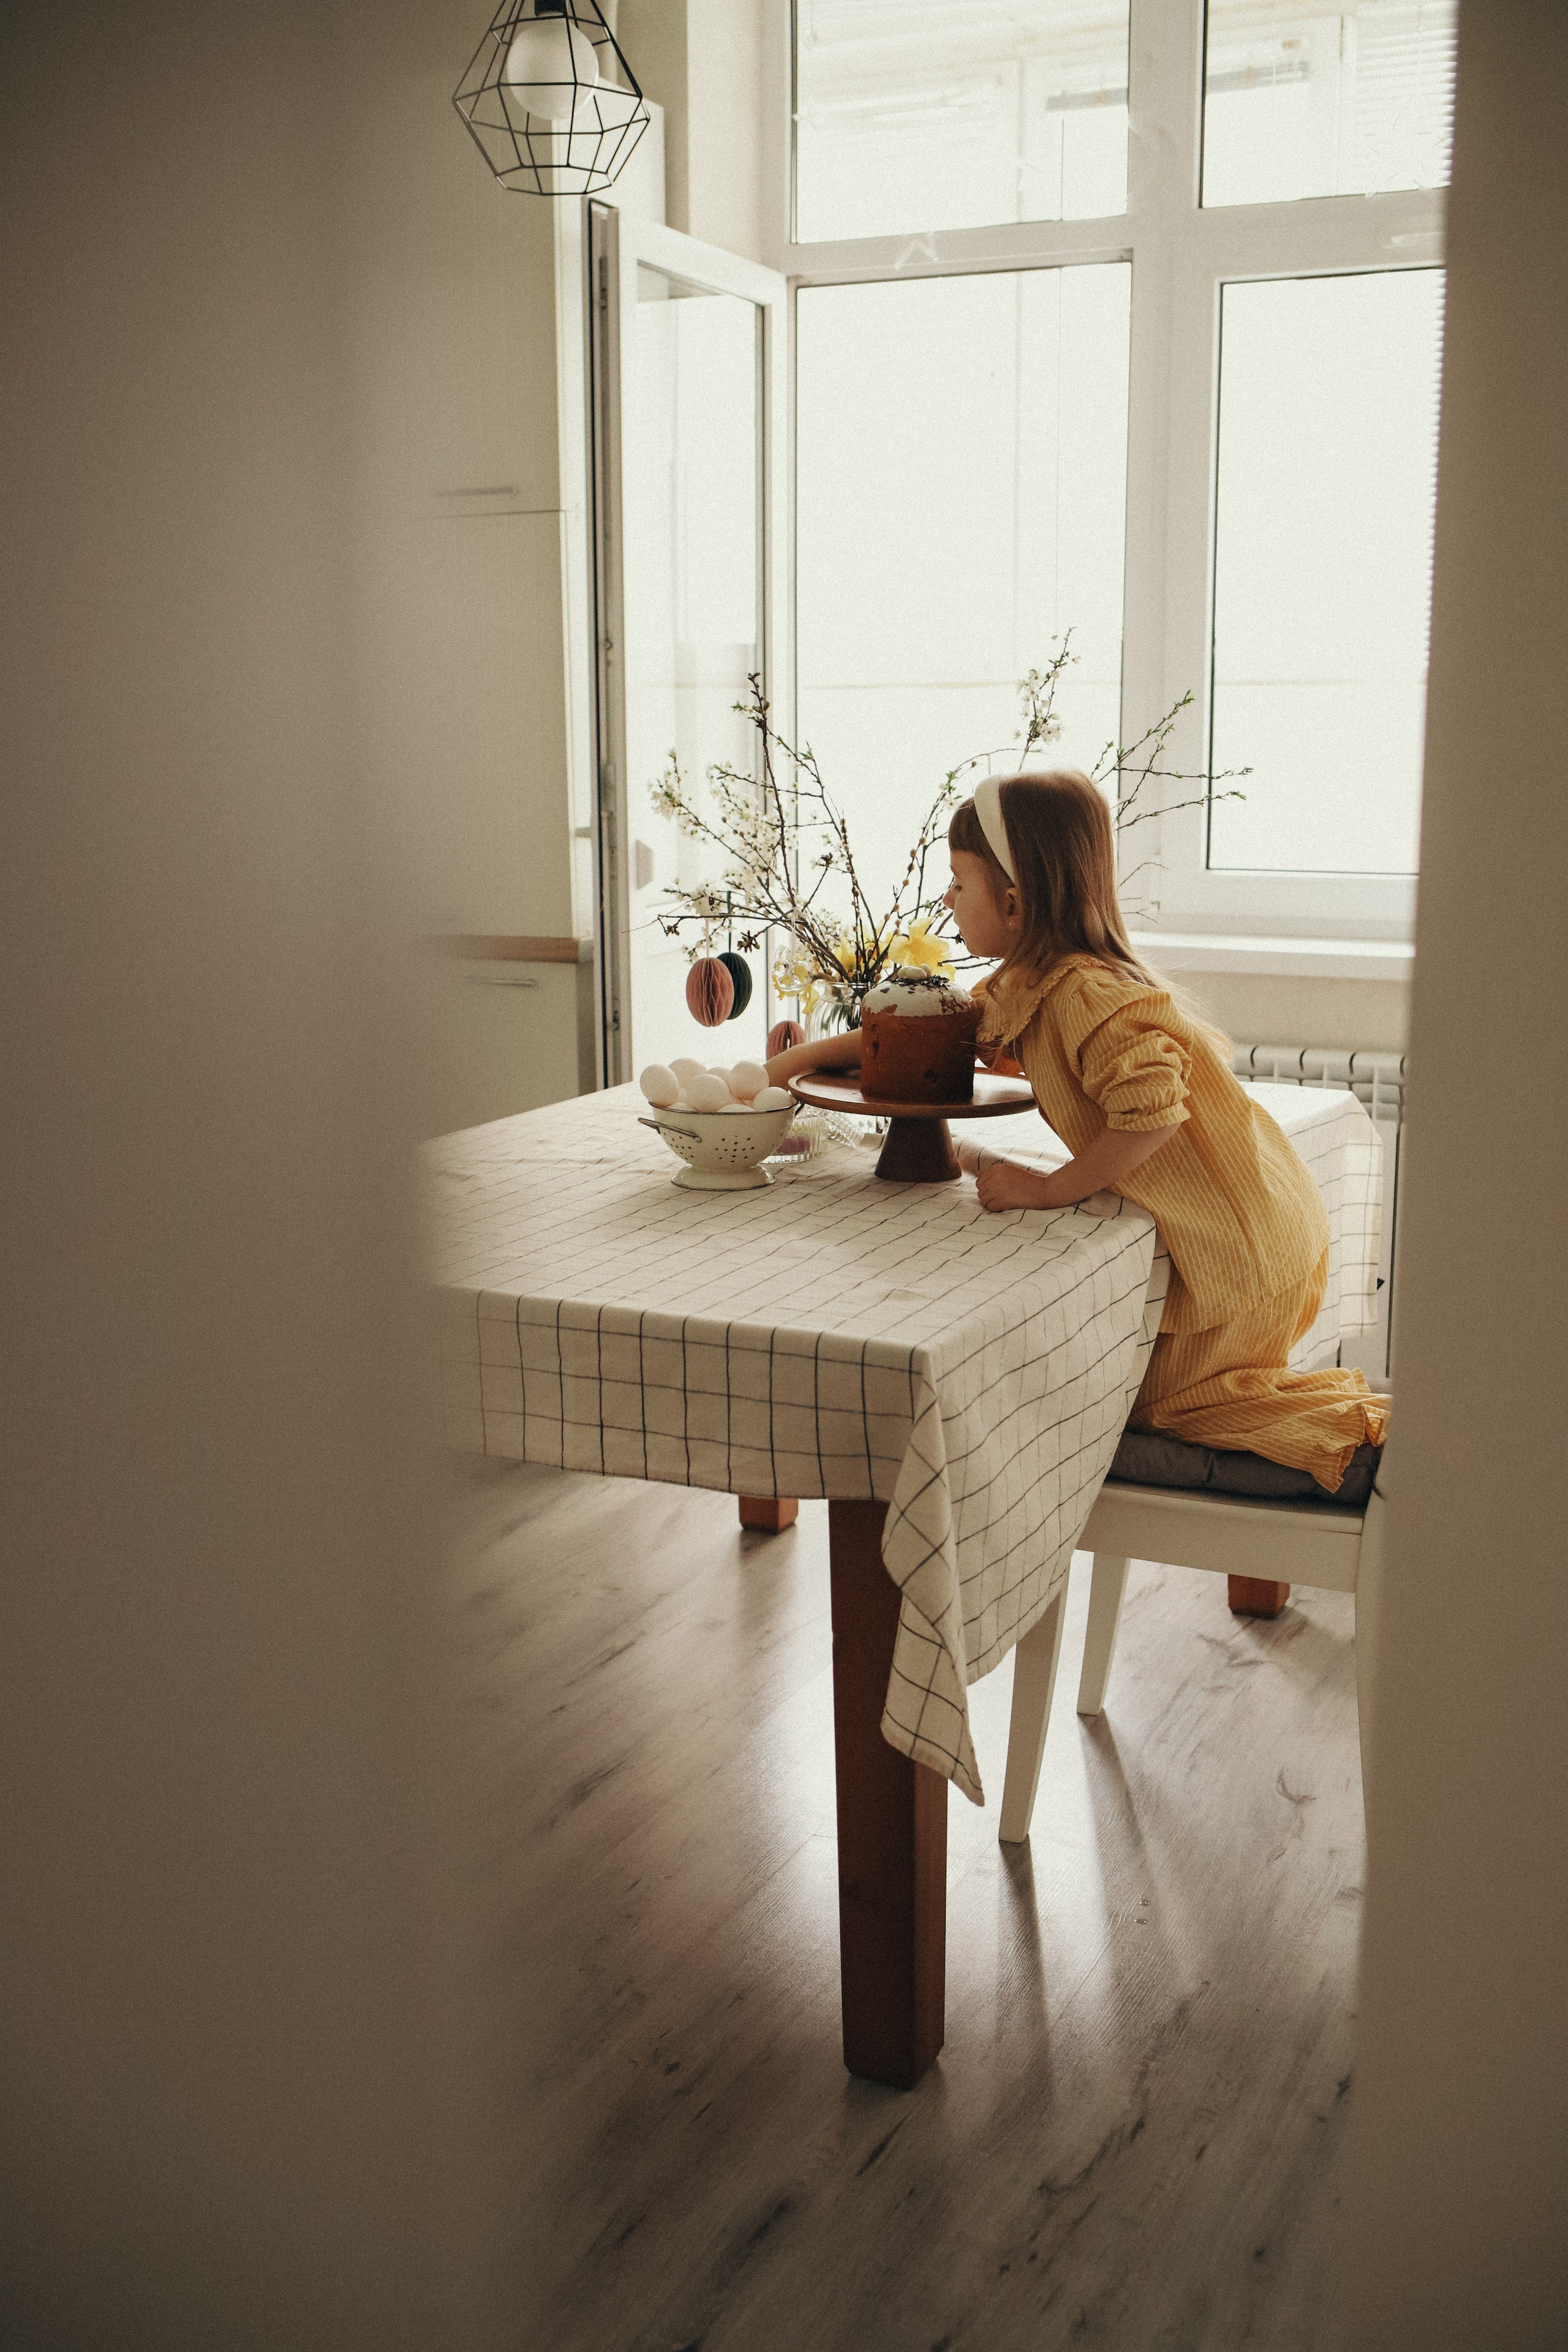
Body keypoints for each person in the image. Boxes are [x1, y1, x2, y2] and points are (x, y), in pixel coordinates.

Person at [765, 769, 1389, 1493]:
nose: (945, 900)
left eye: (957, 884)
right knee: (1136, 1387)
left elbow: (1152, 1115)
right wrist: (796, 1062)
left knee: (1160, 1404)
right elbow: (926, 1030)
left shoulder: (1087, 993)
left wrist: (1050, 1188)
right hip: (1248, 1228)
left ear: (1013, 901)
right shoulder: (1028, 984)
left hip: (1238, 1248)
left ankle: (1365, 1448)